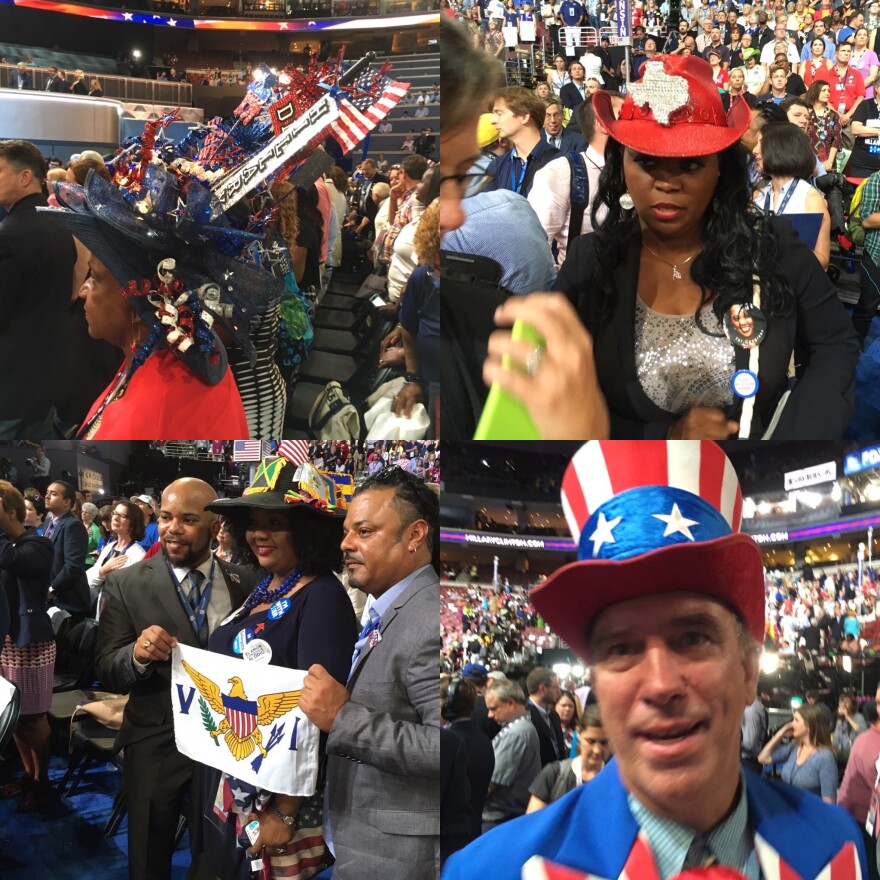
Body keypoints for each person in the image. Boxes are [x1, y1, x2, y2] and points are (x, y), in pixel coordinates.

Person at [443, 439, 868, 880]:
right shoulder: (488, 871)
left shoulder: (837, 847)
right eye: (621, 649)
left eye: (692, 637)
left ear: (748, 670)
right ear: (596, 685)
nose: (661, 684)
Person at [483, 54, 860, 440]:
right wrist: (664, 436)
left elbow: (835, 345)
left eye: (691, 164)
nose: (666, 183)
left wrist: (784, 451)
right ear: (621, 164)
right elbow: (561, 404)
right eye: (647, 162)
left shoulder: (773, 245)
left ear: (720, 169)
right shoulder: (591, 263)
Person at [201, 457, 358, 880]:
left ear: (307, 531)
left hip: (281, 800)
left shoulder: (322, 597)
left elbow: (316, 716)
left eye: (275, 522)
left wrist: (286, 813)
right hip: (239, 779)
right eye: (253, 522)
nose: (259, 534)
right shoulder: (264, 586)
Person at [94, 477, 256, 880]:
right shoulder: (126, 582)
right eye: (165, 517)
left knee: (214, 855)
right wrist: (136, 654)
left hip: (225, 744)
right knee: (148, 856)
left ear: (215, 526)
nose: (172, 528)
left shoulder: (246, 584)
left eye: (187, 519)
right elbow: (106, 666)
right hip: (154, 738)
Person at [299, 467, 440, 879]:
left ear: (415, 535)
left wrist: (343, 718)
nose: (345, 544)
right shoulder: (389, 605)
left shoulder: (428, 616)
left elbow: (444, 747)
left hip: (397, 857)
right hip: (362, 840)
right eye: (346, 532)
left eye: (364, 531)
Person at [0, 141, 77, 439]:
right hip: (49, 379)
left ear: (24, 177)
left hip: (11, 386)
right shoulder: (59, 225)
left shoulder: (9, 235)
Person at [0, 480, 54, 813]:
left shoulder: (38, 544)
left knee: (34, 718)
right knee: (16, 718)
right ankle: (29, 774)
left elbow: (10, 560)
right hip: (8, 641)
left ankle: (43, 781)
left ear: (11, 510)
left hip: (32, 643)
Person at [752, 122, 832, 267]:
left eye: (762, 143)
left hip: (791, 286)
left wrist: (782, 247)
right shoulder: (758, 195)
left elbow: (822, 260)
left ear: (782, 148)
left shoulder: (810, 198)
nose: (754, 150)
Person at [441, 675, 495, 848]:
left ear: (447, 705)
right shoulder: (484, 740)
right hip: (473, 835)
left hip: (448, 843)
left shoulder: (448, 742)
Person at [481, 677, 541, 830]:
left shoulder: (515, 734)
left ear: (510, 703)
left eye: (493, 708)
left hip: (501, 818)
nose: (489, 714)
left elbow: (490, 784)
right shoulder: (521, 728)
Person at [526, 705, 610, 811]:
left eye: (604, 743)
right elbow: (534, 822)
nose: (597, 750)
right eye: (591, 741)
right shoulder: (554, 775)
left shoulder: (619, 781)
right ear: (578, 733)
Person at [758, 703, 838, 802]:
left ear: (809, 726)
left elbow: (829, 802)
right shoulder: (794, 747)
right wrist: (779, 735)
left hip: (808, 814)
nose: (791, 724)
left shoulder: (825, 757)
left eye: (796, 720)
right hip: (788, 810)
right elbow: (762, 758)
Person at [838, 701, 880, 880]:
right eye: (878, 702)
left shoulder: (864, 736)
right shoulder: (868, 740)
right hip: (864, 821)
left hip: (860, 819)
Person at [86, 499, 146, 616]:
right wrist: (102, 571)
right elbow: (89, 581)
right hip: (102, 608)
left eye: (123, 516)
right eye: (115, 513)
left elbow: (135, 594)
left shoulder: (138, 555)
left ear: (133, 524)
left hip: (122, 615)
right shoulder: (109, 547)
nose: (115, 518)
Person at [44, 481, 90, 620]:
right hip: (49, 597)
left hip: (67, 601)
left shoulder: (73, 525)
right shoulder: (48, 523)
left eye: (53, 494)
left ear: (67, 502)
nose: (46, 496)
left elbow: (73, 566)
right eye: (47, 492)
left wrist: (52, 589)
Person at [526, 666, 566, 766]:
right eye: (556, 687)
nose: (559, 692)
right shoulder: (525, 717)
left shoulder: (553, 715)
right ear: (542, 689)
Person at [831, 692, 868, 772]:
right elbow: (836, 737)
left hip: (852, 752)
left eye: (846, 702)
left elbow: (863, 732)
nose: (843, 705)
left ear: (853, 705)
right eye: (841, 702)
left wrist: (848, 717)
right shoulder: (840, 719)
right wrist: (833, 748)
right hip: (841, 751)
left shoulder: (858, 716)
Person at [555, 689, 582, 754]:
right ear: (554, 706)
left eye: (570, 706)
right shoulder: (549, 730)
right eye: (563, 705)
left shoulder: (579, 731)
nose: (567, 709)